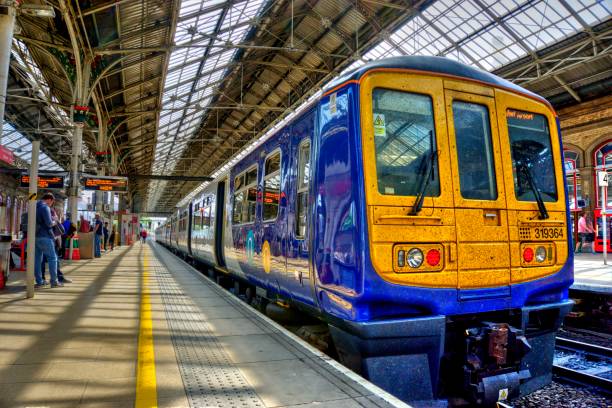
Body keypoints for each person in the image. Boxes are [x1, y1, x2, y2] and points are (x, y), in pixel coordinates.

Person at [34, 193, 61, 288]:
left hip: (35, 237)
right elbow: (49, 224)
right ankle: (54, 281)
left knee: (37, 260)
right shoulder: (45, 208)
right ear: (49, 199)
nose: (52, 204)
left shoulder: (34, 206)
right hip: (45, 236)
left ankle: (39, 281)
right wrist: (55, 220)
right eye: (52, 201)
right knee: (53, 258)